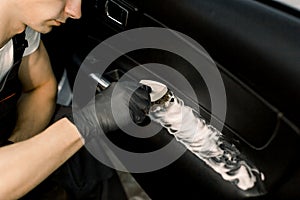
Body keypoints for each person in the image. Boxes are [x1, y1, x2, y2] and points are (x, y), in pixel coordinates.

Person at [0, 0, 151, 199]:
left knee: (75, 143)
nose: (75, 12)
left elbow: (41, 88)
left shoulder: (21, 29)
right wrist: (86, 122)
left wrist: (19, 147)